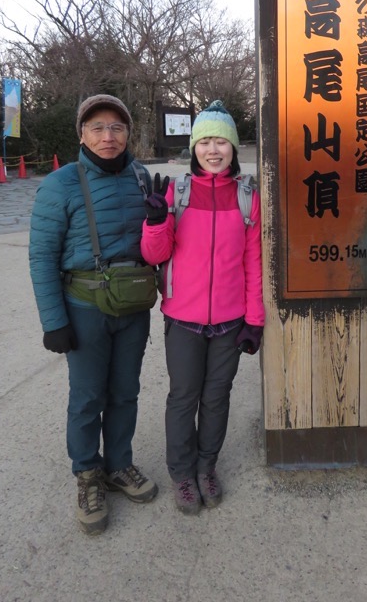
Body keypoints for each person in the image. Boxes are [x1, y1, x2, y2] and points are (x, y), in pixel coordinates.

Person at [29, 94, 158, 536]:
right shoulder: (59, 184)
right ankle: (87, 474)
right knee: (87, 396)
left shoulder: (142, 177)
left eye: (117, 128)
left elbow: (158, 241)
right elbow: (42, 255)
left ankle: (118, 464)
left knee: (125, 390)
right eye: (98, 127)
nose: (109, 136)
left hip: (133, 307)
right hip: (83, 309)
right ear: (81, 133)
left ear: (128, 133)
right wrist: (54, 322)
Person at [140, 100, 264, 515]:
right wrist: (156, 220)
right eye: (205, 142)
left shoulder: (247, 196)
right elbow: (155, 253)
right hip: (183, 319)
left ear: (232, 147)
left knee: (216, 398)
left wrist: (255, 320)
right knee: (183, 398)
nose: (213, 150)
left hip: (230, 322)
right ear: (194, 148)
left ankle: (206, 467)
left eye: (221, 142)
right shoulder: (178, 192)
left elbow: (253, 262)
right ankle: (181, 473)